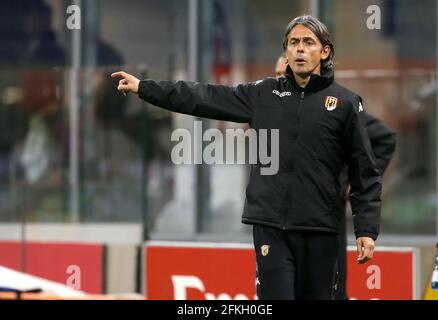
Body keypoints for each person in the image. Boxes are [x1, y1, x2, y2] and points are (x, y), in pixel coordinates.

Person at [112, 15, 382, 300]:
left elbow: (364, 171)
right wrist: (145, 88)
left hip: (321, 229)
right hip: (270, 227)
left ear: (324, 51)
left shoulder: (345, 103)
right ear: (286, 52)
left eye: (308, 42)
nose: (300, 49)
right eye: (293, 43)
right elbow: (203, 97)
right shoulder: (263, 94)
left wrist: (366, 229)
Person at [273, 55, 396, 300]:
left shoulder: (334, 107)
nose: (279, 80)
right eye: (276, 75)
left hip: (325, 212)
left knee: (329, 287)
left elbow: (384, 138)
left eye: (282, 74)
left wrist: (347, 183)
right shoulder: (275, 110)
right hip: (284, 219)